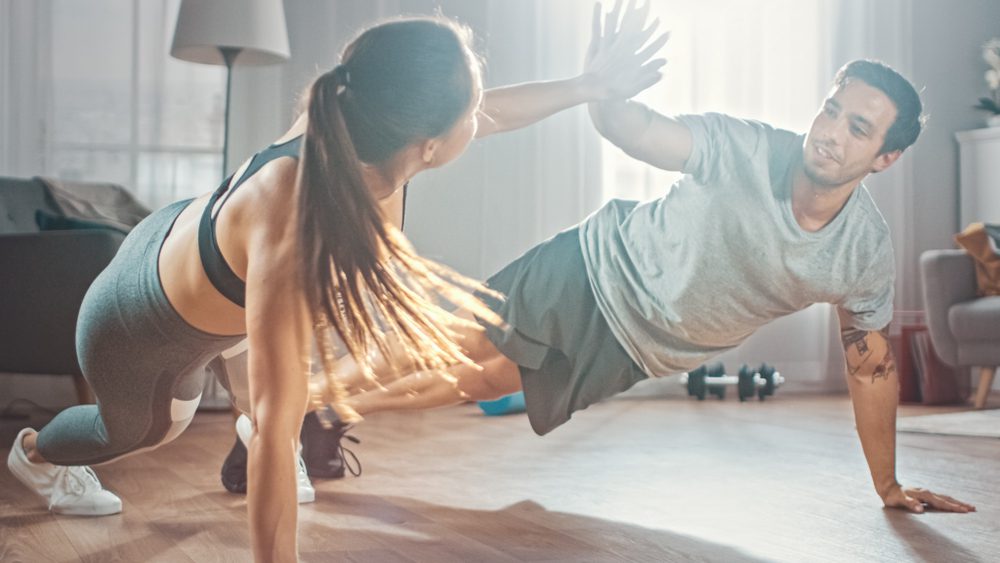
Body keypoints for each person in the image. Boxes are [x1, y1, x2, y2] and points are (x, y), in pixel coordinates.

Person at [7, 11, 667, 562]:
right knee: (151, 429)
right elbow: (270, 431)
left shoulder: (362, 125)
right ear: (431, 144)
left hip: (185, 250)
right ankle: (34, 454)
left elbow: (490, 114)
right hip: (138, 328)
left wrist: (588, 84)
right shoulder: (293, 222)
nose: (481, 112)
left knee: (326, 349)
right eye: (470, 104)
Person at [334, 5, 977, 515]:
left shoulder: (862, 252)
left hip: (636, 347)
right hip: (589, 268)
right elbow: (634, 131)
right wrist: (604, 92)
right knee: (447, 345)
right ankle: (287, 406)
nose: (831, 133)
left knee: (478, 385)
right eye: (831, 111)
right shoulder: (744, 147)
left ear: (886, 158)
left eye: (858, 129)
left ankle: (327, 411)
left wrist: (888, 485)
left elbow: (871, 371)